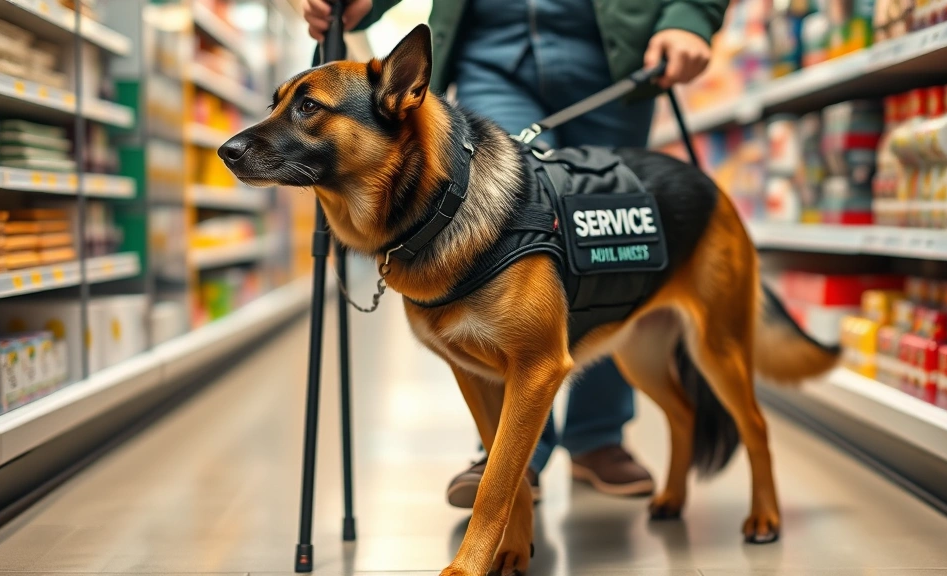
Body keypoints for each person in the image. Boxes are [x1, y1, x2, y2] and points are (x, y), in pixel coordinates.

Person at [302, 0, 727, 507]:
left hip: (614, 48)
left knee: (610, 246)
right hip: (490, 51)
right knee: (500, 245)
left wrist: (690, 16)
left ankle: (599, 436)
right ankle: (509, 458)